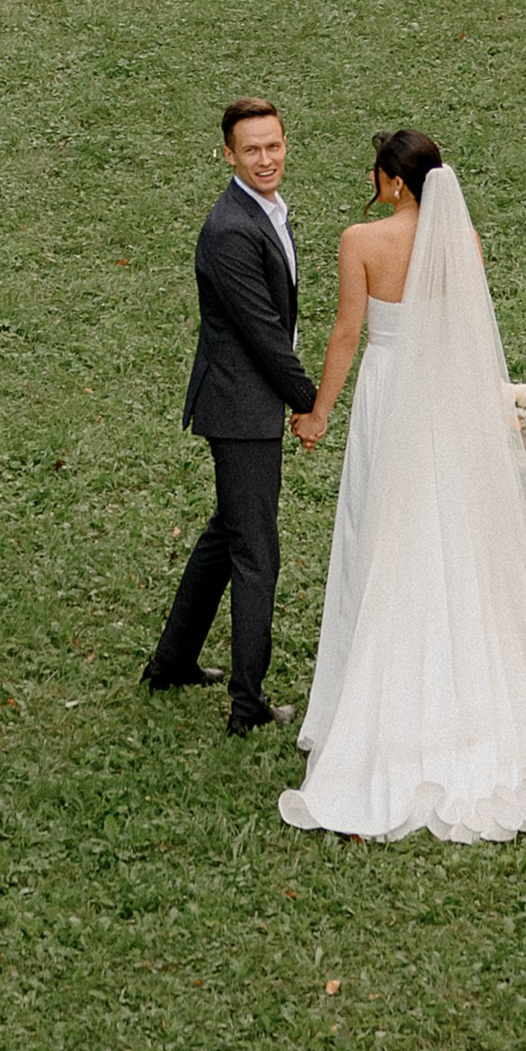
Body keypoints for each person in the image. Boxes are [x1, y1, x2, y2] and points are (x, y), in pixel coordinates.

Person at [279, 131, 526, 844]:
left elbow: (347, 334)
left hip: (390, 401)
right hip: (446, 405)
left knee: (377, 529)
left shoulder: (361, 240)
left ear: (392, 181)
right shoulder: (465, 241)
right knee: (448, 532)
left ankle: (366, 701)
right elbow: (469, 335)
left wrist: (318, 412)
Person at [142, 98, 319, 736]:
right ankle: (248, 705)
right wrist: (311, 402)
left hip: (249, 399)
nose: (266, 159)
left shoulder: (266, 208)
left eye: (273, 146)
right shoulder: (229, 229)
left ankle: (171, 663)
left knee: (226, 533)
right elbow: (265, 333)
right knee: (256, 552)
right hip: (242, 407)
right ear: (228, 155)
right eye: (252, 150)